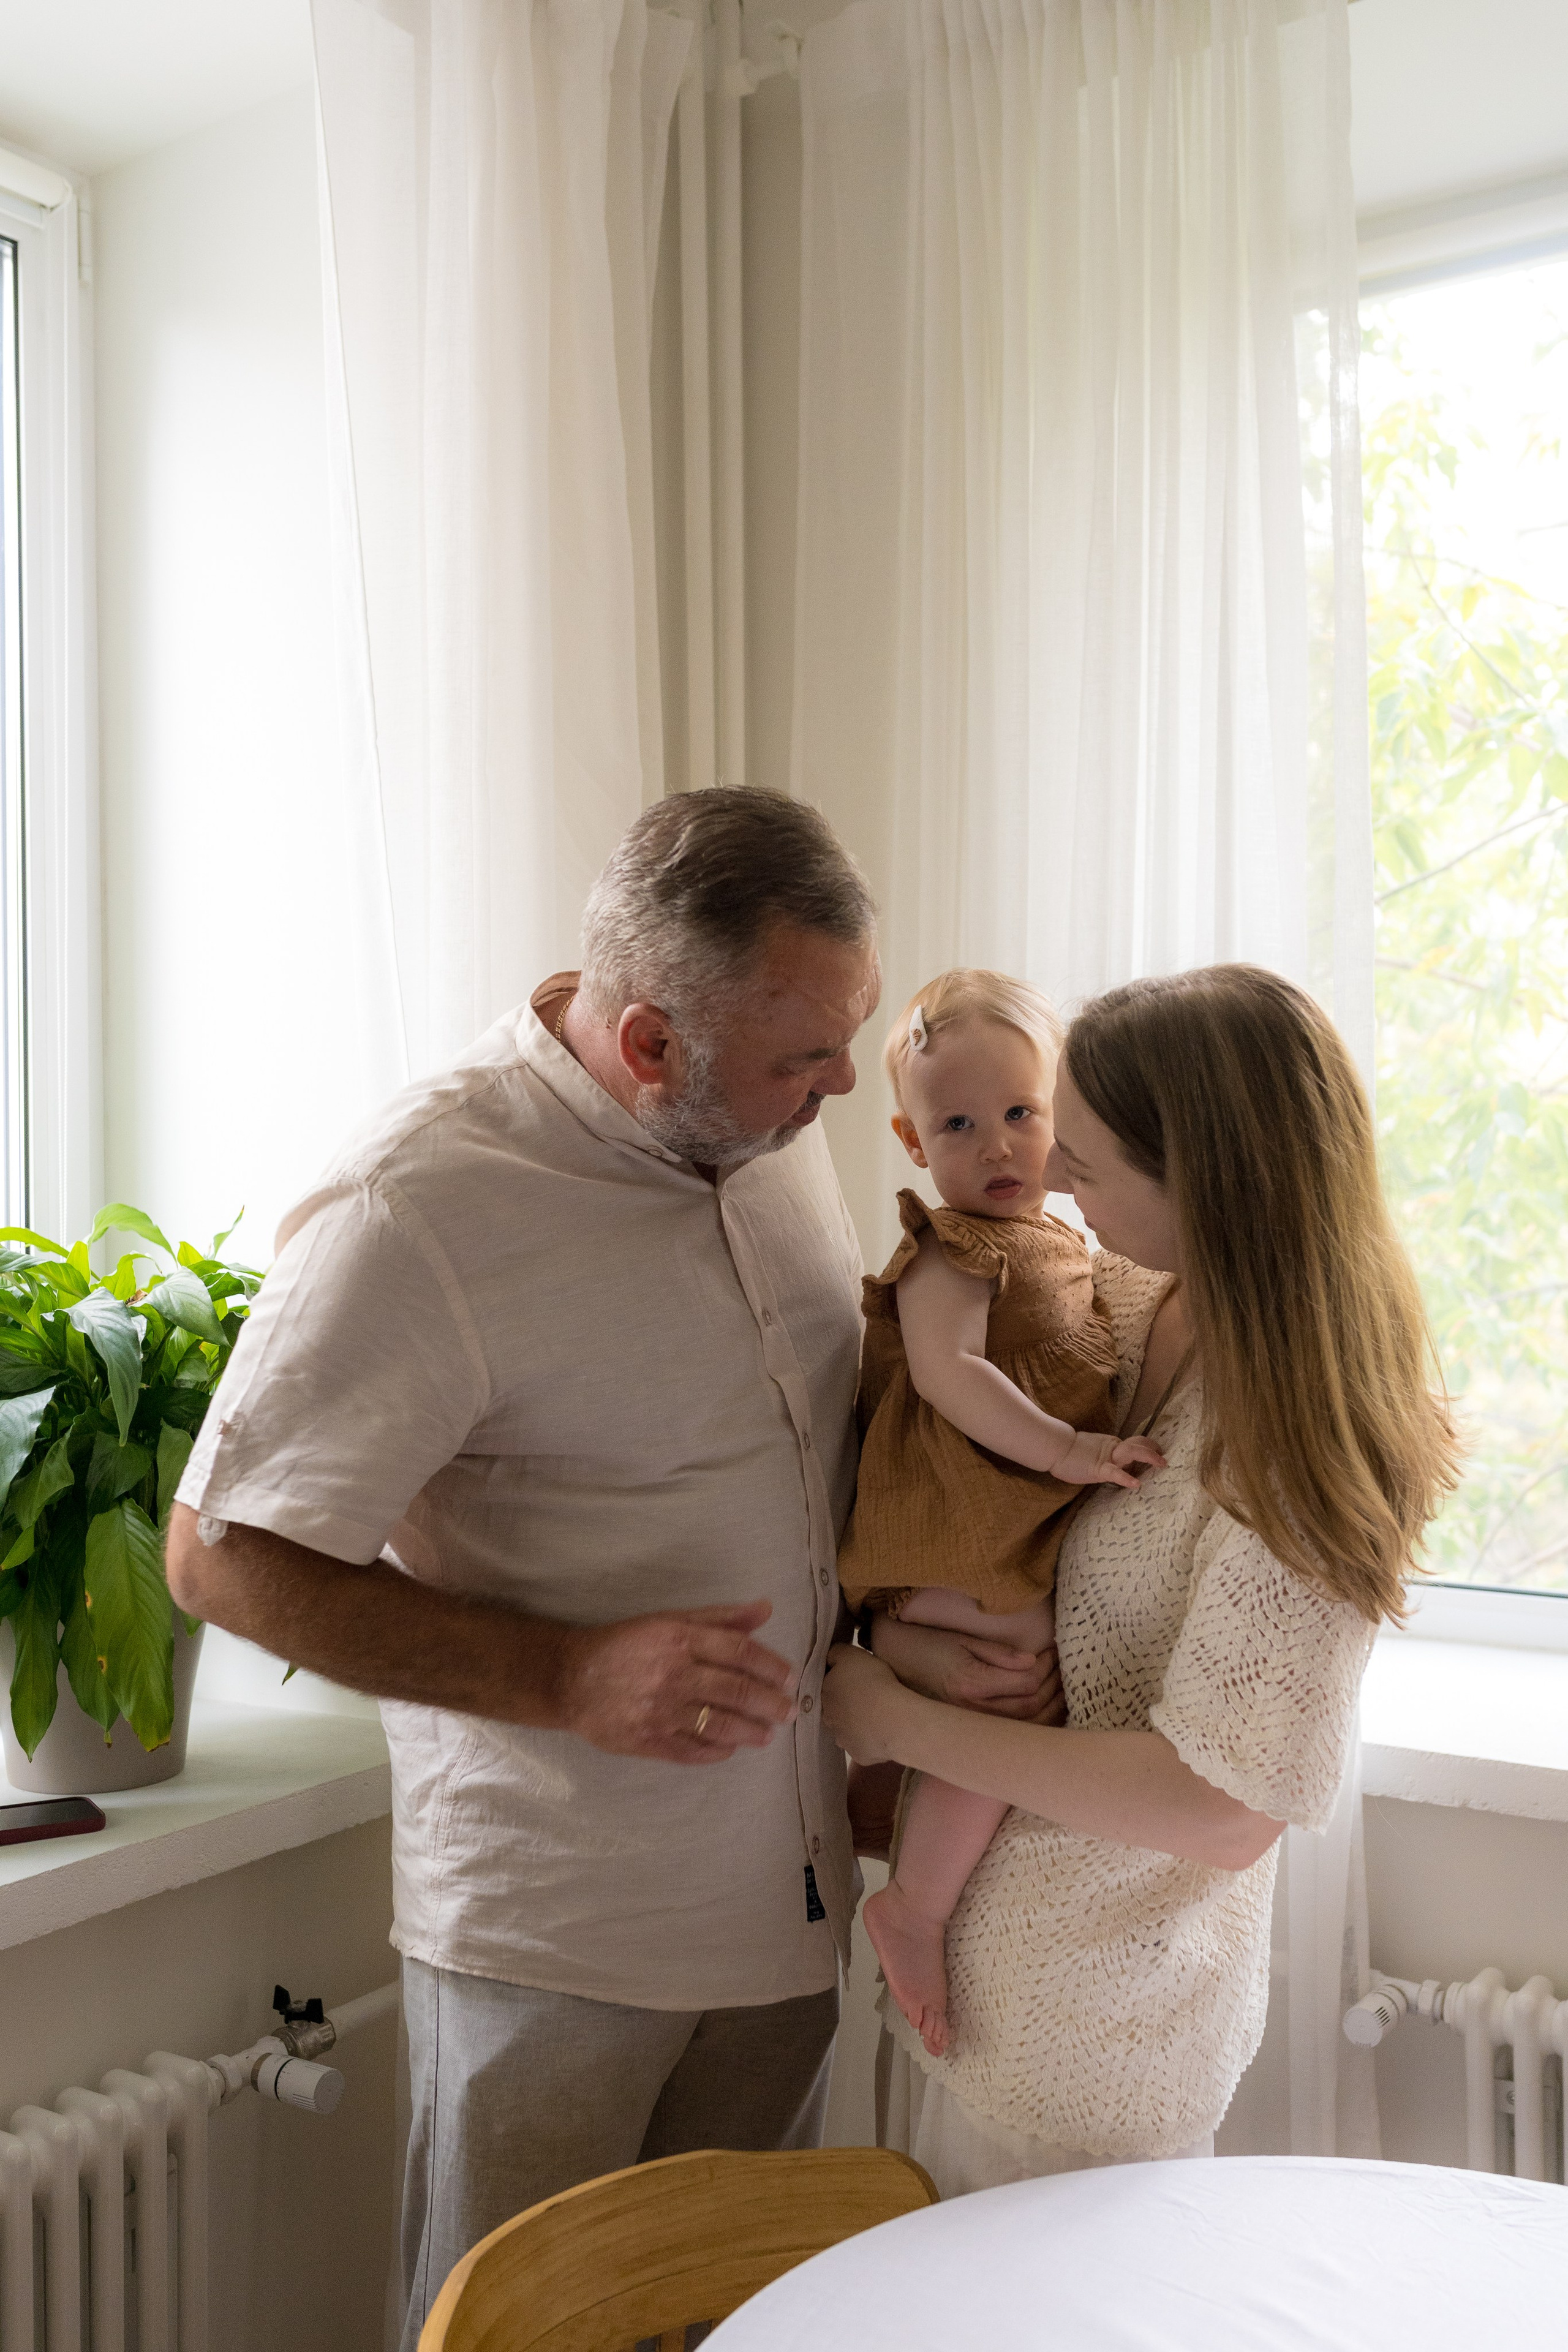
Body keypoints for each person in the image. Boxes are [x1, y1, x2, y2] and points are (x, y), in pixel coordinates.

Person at [165, 788, 887, 2349]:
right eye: (801, 1061)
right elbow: (223, 1557)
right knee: (509, 2334)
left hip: (791, 1906)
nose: (843, 1088)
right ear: (646, 1047)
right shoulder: (415, 1206)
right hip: (563, 1939)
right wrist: (564, 1674)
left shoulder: (764, 1129)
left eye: (849, 1036)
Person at [824, 963, 1459, 2196]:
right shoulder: (1118, 1309)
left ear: (1206, 1181)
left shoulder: (1292, 1448)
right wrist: (913, 1656)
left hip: (1093, 2054)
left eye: (1086, 1160)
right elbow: (971, 1522)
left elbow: (1221, 1807)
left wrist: (897, 1718)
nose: (1052, 1176)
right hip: (969, 1991)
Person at [836, 970, 1163, 2060]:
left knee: (1001, 1703)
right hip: (952, 1521)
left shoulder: (1073, 1247)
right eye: (959, 1124)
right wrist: (1073, 1450)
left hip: (1003, 1527)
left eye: (1022, 1114)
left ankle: (900, 1842)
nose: (998, 1147)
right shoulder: (950, 1248)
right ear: (911, 1139)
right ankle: (914, 1910)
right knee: (1011, 1695)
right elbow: (947, 1376)